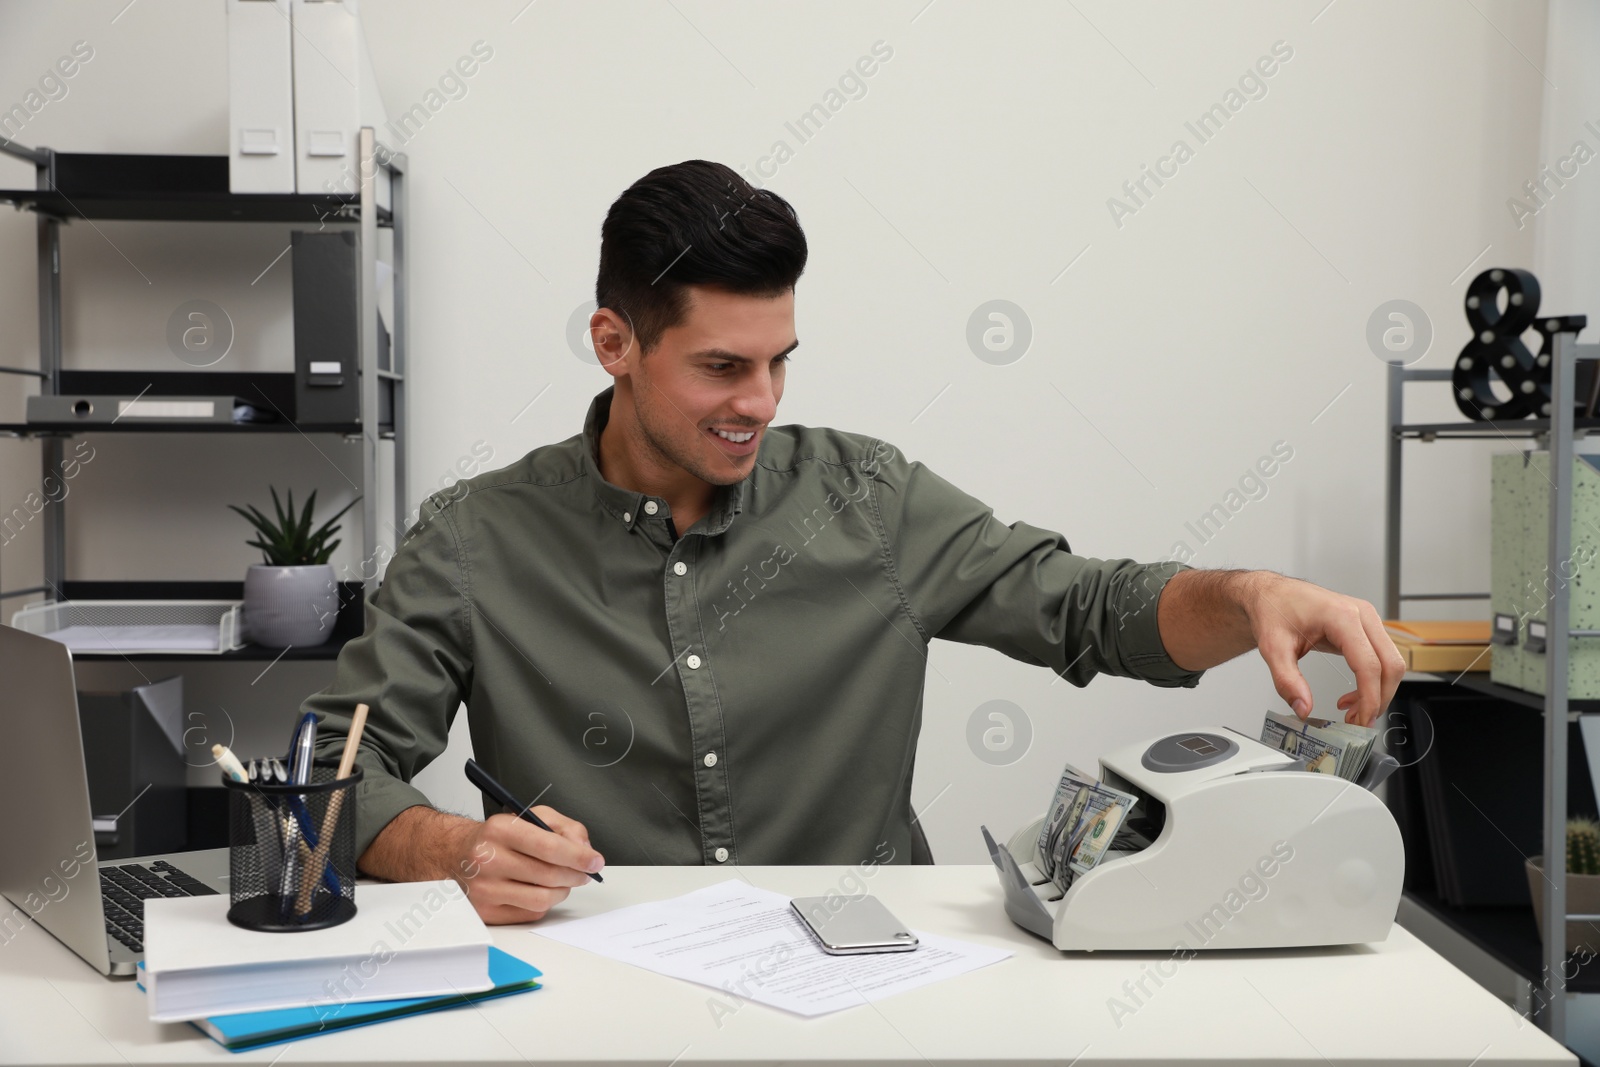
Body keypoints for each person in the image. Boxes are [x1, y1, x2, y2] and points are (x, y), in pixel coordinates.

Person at [306, 159, 1406, 924]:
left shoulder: (867, 499)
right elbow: (332, 777)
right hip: (590, 988)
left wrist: (1250, 590)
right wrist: (454, 849)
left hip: (864, 986)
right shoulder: (476, 536)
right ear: (615, 343)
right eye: (722, 367)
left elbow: (1087, 607)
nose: (761, 400)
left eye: (780, 359)